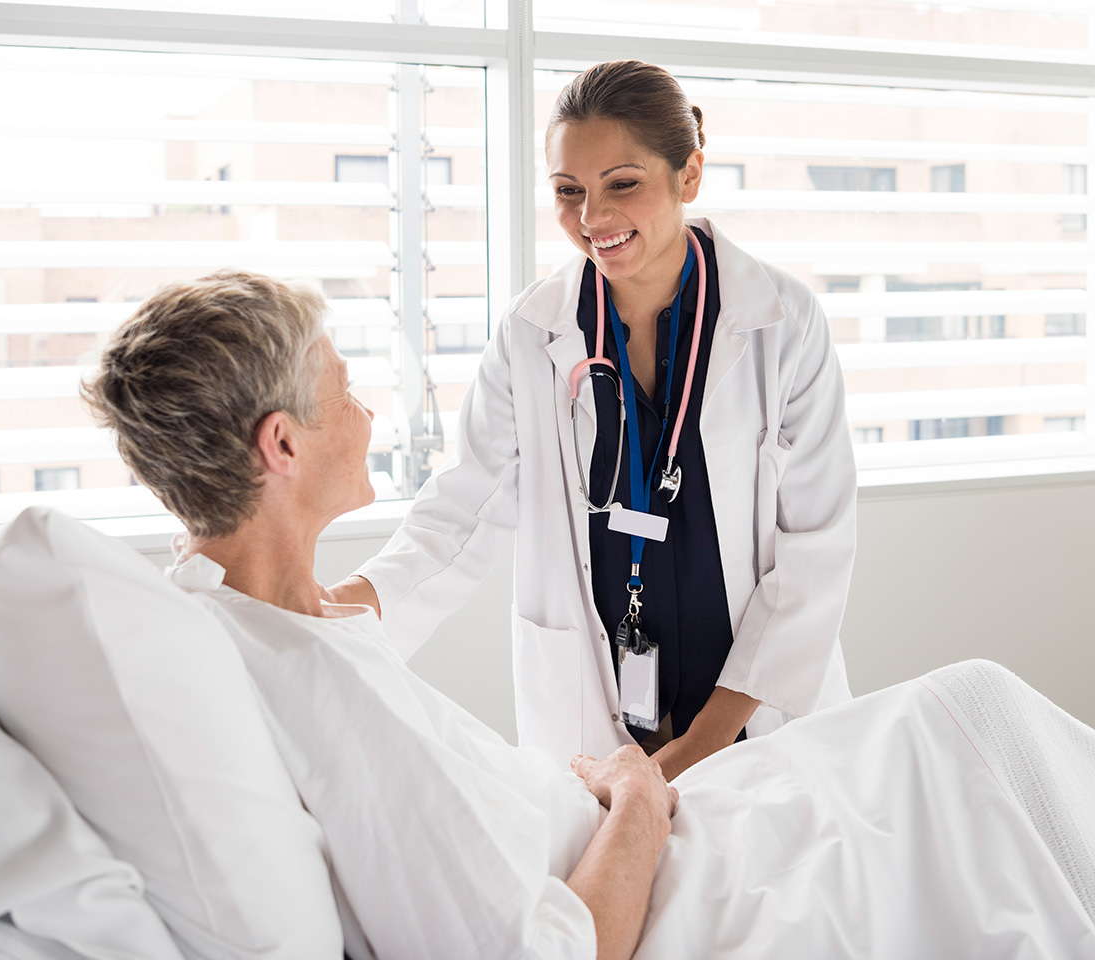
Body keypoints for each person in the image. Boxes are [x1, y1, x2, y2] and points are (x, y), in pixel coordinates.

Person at [83, 270, 1095, 960]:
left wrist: (322, 606)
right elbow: (564, 945)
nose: (368, 414)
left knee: (965, 727)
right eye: (343, 392)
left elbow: (812, 547)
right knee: (977, 742)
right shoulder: (313, 686)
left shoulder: (248, 626)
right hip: (659, 871)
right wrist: (640, 796)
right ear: (281, 446)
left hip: (639, 826)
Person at [328, 60, 856, 780]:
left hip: (750, 718)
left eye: (623, 184)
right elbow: (460, 510)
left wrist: (694, 751)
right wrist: (342, 607)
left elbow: (815, 550)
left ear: (689, 175)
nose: (591, 219)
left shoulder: (782, 321)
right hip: (597, 722)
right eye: (568, 190)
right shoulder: (532, 331)